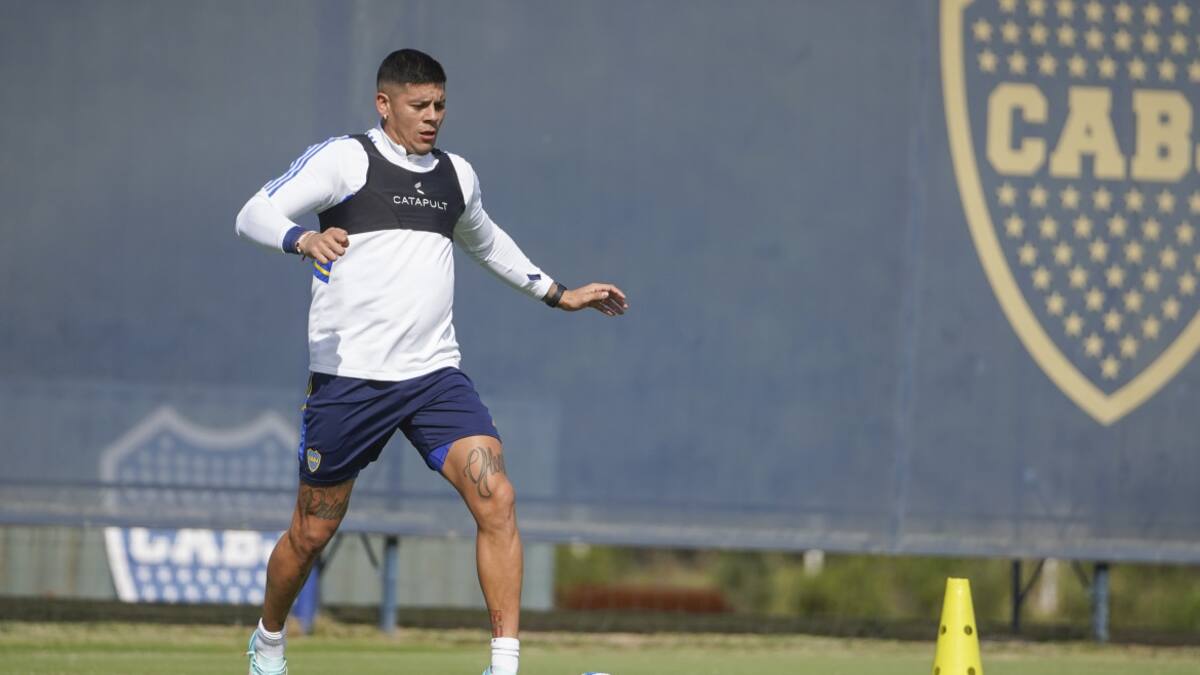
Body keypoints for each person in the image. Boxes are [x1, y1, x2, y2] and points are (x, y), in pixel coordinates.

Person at [234, 48, 628, 675]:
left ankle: (503, 665)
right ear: (384, 104)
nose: (432, 117)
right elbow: (253, 211)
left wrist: (559, 294)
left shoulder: (456, 176)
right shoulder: (346, 159)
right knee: (310, 534)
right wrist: (301, 237)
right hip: (351, 381)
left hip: (433, 378)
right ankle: (269, 641)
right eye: (419, 105)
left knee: (497, 497)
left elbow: (488, 242)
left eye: (440, 105)